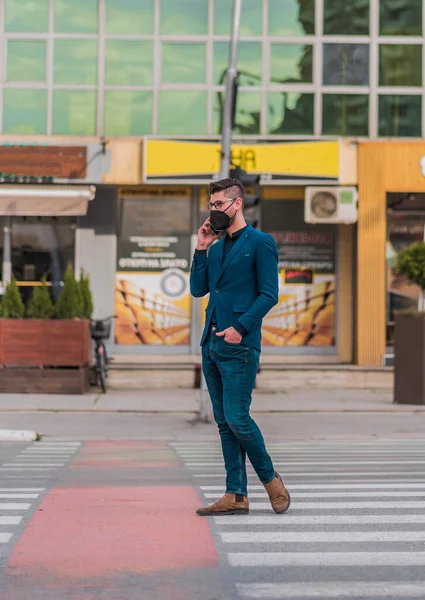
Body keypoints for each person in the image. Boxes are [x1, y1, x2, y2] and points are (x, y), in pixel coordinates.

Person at [190, 177, 291, 516]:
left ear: (237, 204)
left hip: (240, 345)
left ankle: (271, 480)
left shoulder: (261, 243)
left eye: (219, 204)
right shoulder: (216, 247)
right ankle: (235, 495)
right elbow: (198, 289)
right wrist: (201, 247)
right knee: (223, 421)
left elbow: (269, 294)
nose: (215, 210)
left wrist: (240, 328)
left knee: (237, 417)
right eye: (211, 205)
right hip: (211, 344)